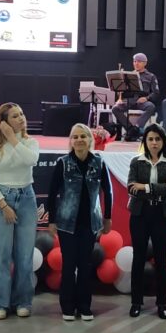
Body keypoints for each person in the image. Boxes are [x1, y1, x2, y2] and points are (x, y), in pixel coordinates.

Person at [47, 123, 113, 321]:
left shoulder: (99, 162)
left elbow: (108, 191)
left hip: (90, 223)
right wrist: (52, 220)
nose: (79, 140)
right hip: (67, 224)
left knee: (85, 265)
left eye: (83, 136)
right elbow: (52, 193)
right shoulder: (63, 163)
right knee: (69, 265)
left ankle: (84, 306)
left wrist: (108, 217)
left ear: (90, 139)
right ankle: (67, 306)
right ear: (71, 141)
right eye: (75, 137)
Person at [0, 103, 39, 320]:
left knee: (24, 256)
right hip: (1, 199)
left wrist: (13, 138)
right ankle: (0, 302)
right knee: (1, 256)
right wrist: (3, 205)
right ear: (4, 122)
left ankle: (23, 301)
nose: (21, 118)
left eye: (22, 114)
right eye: (15, 116)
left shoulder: (30, 142)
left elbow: (31, 160)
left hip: (26, 198)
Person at [127, 123, 166, 319]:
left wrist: (146, 187)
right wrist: (159, 188)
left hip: (161, 215)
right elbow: (131, 188)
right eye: (150, 139)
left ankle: (162, 303)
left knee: (161, 259)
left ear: (163, 141)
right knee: (138, 258)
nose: (154, 143)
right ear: (145, 141)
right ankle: (136, 302)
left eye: (158, 139)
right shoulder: (136, 161)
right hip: (140, 214)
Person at [111, 53, 160, 141]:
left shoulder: (151, 76)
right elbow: (122, 90)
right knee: (115, 108)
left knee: (151, 106)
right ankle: (131, 129)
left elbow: (156, 93)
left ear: (145, 63)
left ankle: (137, 127)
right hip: (129, 100)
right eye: (134, 61)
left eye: (139, 62)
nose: (136, 63)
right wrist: (120, 98)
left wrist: (146, 98)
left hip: (142, 101)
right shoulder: (128, 75)